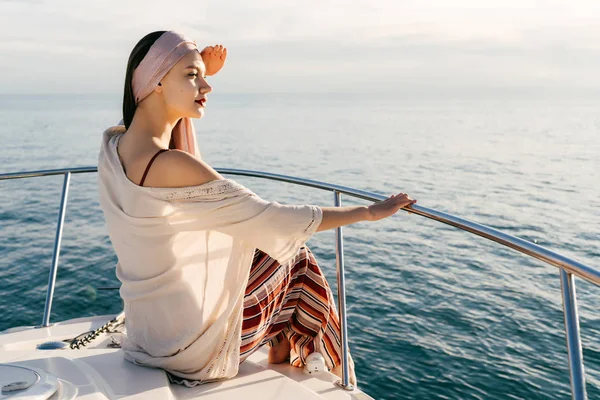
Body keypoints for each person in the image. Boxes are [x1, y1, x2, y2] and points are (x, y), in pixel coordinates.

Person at [97, 30, 417, 388]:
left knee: (263, 255)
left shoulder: (115, 145)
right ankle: (326, 367)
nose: (207, 86)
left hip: (148, 333)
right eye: (192, 76)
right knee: (296, 257)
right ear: (155, 81)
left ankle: (287, 353)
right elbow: (274, 220)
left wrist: (192, 69)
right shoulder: (172, 165)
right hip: (189, 351)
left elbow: (156, 104)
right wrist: (368, 212)